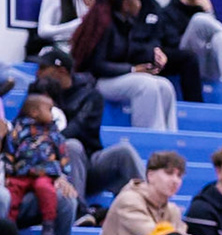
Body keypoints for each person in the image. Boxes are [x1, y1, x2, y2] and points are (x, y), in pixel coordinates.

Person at [32, 49, 141, 208]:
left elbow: (77, 129)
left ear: (61, 71)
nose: (37, 73)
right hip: (48, 164)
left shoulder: (90, 96)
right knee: (72, 146)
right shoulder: (37, 94)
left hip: (87, 164)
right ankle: (78, 210)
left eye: (43, 68)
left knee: (124, 152)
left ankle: (149, 207)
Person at [68, 0, 179, 131]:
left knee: (165, 86)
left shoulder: (126, 24)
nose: (139, 4)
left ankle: (169, 136)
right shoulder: (105, 26)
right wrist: (132, 69)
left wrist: (153, 58)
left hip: (119, 77)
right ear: (126, 5)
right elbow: (97, 65)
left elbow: (132, 51)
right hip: (98, 81)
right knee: (146, 85)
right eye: (136, 0)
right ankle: (148, 136)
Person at [4, 94, 64, 235]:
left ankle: (48, 224)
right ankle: (9, 227)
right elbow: (9, 152)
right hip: (21, 172)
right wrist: (8, 173)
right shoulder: (18, 130)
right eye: (49, 109)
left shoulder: (53, 132)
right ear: (35, 112)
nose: (52, 114)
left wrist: (64, 175)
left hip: (44, 172)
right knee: (12, 193)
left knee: (45, 188)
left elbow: (63, 154)